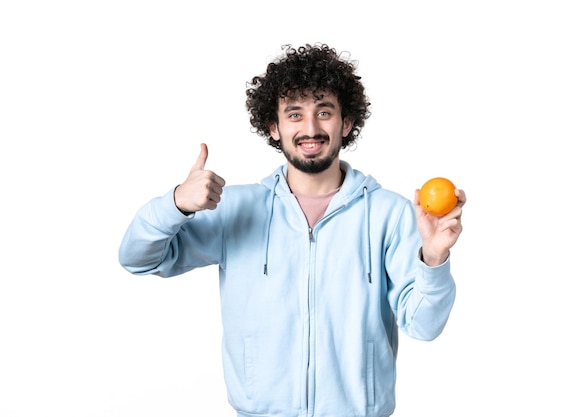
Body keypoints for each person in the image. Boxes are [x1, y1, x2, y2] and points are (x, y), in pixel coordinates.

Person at [119, 43, 466, 417]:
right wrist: (175, 204)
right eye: (295, 114)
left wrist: (433, 258)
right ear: (274, 126)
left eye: (324, 112)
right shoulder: (237, 207)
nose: (311, 128)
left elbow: (424, 325)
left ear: (346, 123)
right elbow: (137, 258)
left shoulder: (389, 214)